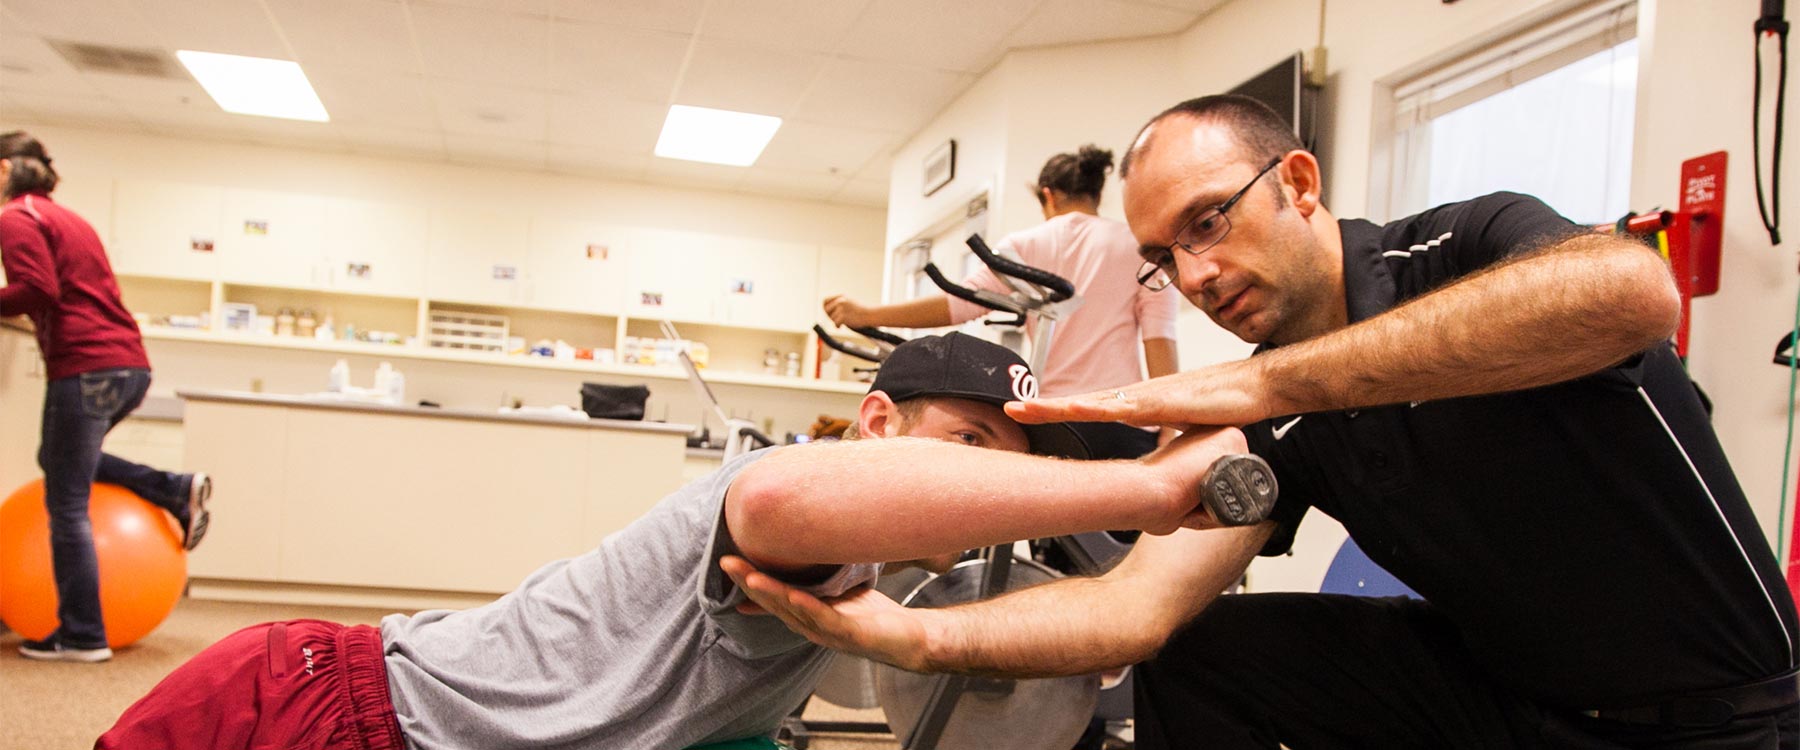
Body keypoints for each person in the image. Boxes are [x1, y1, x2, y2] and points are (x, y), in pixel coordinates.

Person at [724, 96, 1800, 749]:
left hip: (1723, 716)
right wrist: (913, 636)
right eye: (1164, 257)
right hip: (1507, 700)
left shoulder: (1466, 247)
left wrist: (1265, 386)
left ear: (1298, 181)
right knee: (1208, 650)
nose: (1194, 275)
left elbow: (1632, 296)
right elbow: (1133, 613)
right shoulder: (1275, 404)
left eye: (1210, 223)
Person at [96, 332, 1250, 750]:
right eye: (962, 441)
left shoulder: (885, 575)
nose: (981, 477)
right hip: (326, 713)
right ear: (879, 423)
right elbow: (787, 511)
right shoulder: (790, 498)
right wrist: (1149, 493)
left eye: (1009, 455)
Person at [0, 131, 212, 664]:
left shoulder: (15, 218)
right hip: (126, 365)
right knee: (60, 461)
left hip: (86, 366)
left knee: (66, 503)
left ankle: (82, 634)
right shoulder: (68, 218)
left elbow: (36, 288)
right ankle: (173, 488)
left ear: (3, 171)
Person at [823, 144, 1180, 458]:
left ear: (1048, 196)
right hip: (1123, 423)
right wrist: (1170, 426)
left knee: (1052, 530)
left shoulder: (1026, 244)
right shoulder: (1137, 247)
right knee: (1128, 532)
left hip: (1054, 418)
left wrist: (867, 313)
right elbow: (1159, 338)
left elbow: (959, 304)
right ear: (1096, 196)